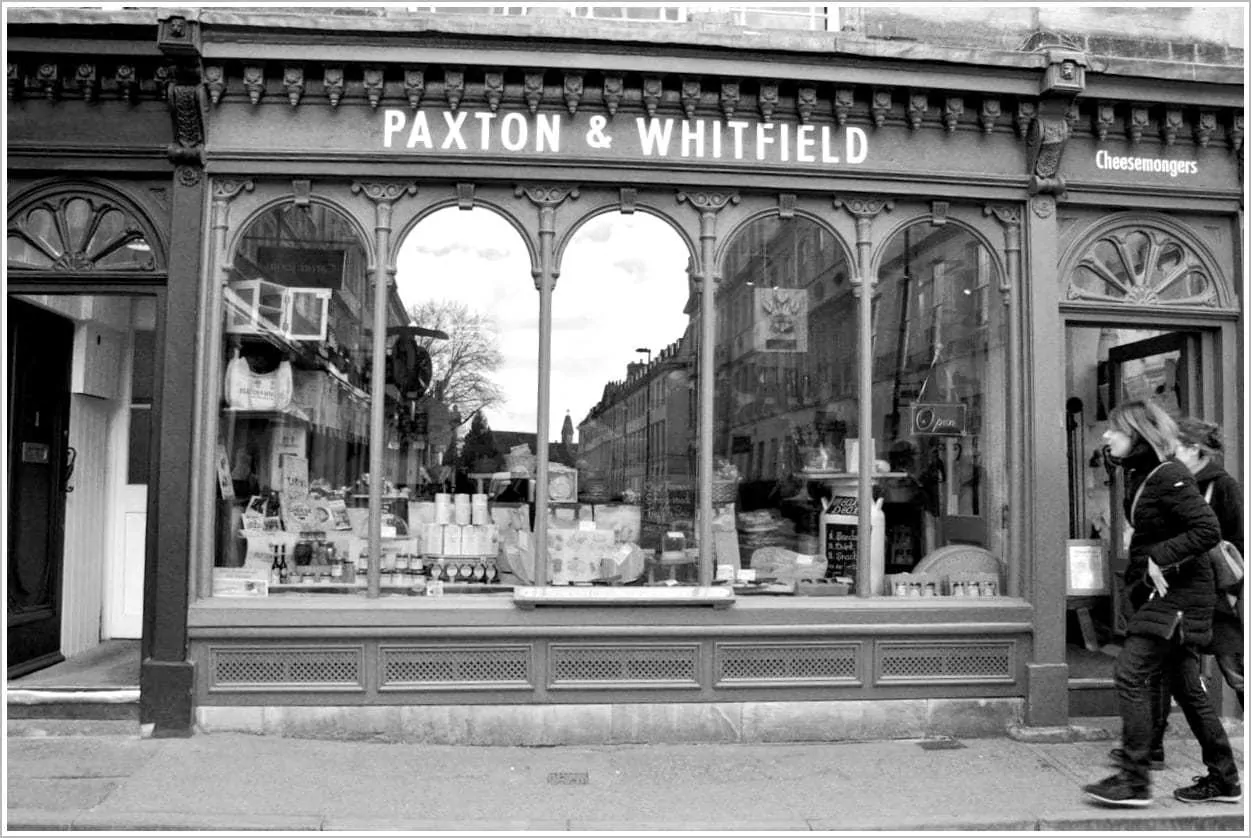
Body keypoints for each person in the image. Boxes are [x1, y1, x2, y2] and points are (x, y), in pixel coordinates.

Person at [1081, 400, 1241, 808]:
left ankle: (1134, 780)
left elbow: (1207, 529)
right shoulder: (1143, 472)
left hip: (1179, 598)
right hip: (1166, 595)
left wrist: (1159, 556)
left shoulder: (1168, 475)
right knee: (1188, 690)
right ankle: (1223, 779)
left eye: (1115, 430)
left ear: (1136, 433)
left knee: (1129, 674)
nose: (1106, 435)